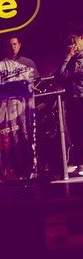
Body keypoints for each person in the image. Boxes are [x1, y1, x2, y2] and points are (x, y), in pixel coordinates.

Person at [55, 28, 83, 176]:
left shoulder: (80, 60)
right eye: (68, 44)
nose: (70, 47)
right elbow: (58, 77)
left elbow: (66, 75)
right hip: (72, 100)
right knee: (75, 133)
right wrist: (66, 58)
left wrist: (68, 59)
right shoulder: (69, 61)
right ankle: (81, 163)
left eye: (73, 43)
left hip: (81, 98)